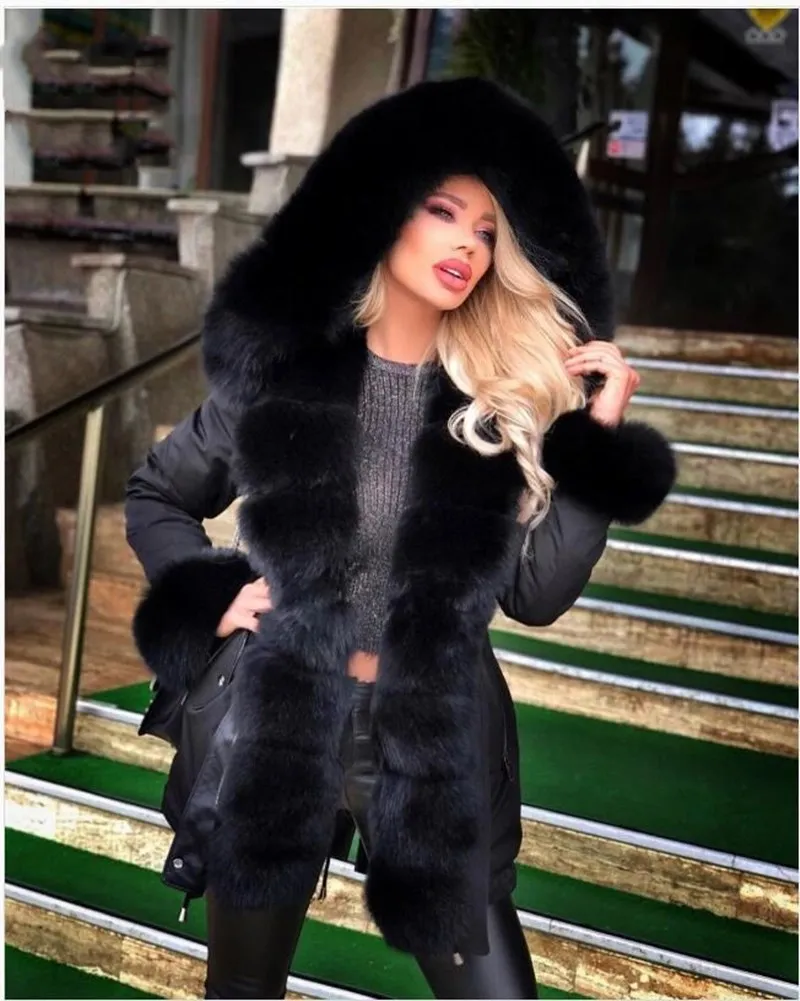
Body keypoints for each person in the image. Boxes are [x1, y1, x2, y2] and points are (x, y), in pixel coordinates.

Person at [125, 76, 677, 1000]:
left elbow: (536, 594)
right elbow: (156, 493)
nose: (468, 244)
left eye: (488, 232)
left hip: (429, 742)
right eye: (443, 212)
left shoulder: (492, 405)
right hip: (276, 724)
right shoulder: (283, 373)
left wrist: (600, 435)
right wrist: (215, 596)